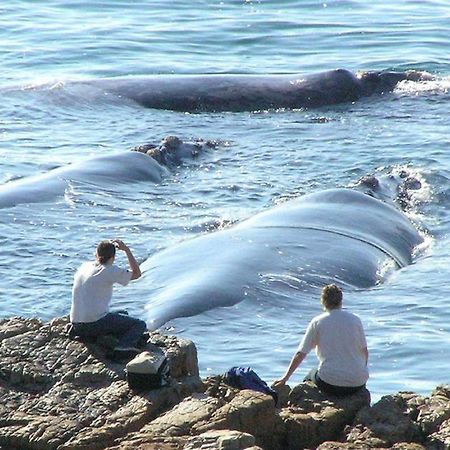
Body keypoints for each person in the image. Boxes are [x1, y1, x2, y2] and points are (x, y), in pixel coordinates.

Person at [273, 284, 369, 396]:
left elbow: (301, 353)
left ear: (323, 301)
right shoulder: (355, 320)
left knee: (310, 376)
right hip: (358, 382)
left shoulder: (318, 322)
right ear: (341, 301)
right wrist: (358, 371)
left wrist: (285, 378)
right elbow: (365, 352)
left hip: (330, 382)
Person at [70, 239, 146, 355]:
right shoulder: (109, 270)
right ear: (113, 257)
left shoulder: (85, 266)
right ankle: (123, 347)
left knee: (123, 313)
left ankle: (93, 337)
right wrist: (127, 250)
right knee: (139, 324)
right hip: (93, 323)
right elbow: (137, 274)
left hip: (76, 324)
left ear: (96, 254)